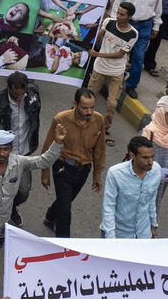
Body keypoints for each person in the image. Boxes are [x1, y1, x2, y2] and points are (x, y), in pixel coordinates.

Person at [0, 126, 65, 298]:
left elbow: (43, 161)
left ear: (11, 149)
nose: (2, 153)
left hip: (1, 225)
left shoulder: (18, 162)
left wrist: (58, 142)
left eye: (6, 149)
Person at [39, 89, 105, 238]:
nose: (89, 112)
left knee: (65, 201)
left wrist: (97, 174)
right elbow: (48, 147)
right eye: (85, 108)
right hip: (62, 168)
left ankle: (50, 216)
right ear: (75, 104)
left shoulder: (99, 120)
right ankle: (63, 244)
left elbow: (100, 149)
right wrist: (45, 173)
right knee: (65, 210)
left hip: (83, 170)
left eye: (92, 107)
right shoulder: (61, 119)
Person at [0, 72, 41, 225]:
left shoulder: (32, 97)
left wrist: (34, 140)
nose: (18, 97)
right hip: (3, 153)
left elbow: (35, 120)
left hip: (24, 153)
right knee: (0, 189)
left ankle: (12, 207)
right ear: (8, 87)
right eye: (15, 93)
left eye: (21, 93)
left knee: (24, 190)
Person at [113, 0, 164, 100]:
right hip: (127, 23)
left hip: (146, 25)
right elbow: (118, 2)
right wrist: (113, 21)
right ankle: (116, 80)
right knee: (121, 53)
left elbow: (157, 6)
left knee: (138, 57)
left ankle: (131, 85)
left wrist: (156, 25)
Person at [87, 2, 138, 135]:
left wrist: (97, 54)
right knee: (88, 96)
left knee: (111, 104)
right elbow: (99, 35)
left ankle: (104, 129)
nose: (118, 16)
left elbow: (120, 54)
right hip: (100, 68)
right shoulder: (109, 22)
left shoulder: (133, 34)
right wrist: (93, 41)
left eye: (122, 14)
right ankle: (80, 116)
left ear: (129, 17)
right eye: (118, 12)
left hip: (116, 72)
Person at [100, 135, 160, 238]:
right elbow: (109, 207)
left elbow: (151, 199)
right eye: (145, 157)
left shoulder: (156, 170)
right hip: (119, 234)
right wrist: (111, 239)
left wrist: (153, 225)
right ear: (132, 155)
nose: (150, 161)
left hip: (143, 234)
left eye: (152, 156)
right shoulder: (115, 173)